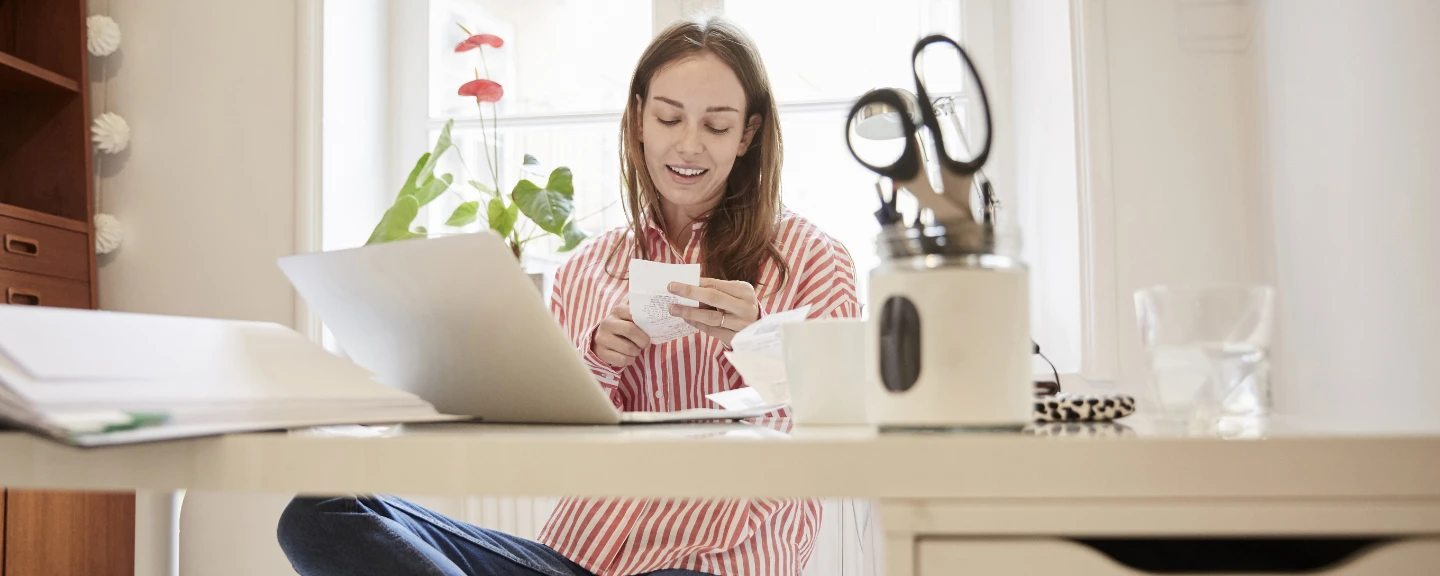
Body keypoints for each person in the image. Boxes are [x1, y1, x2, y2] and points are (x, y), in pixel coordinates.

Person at [277, 15, 859, 576]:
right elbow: (551, 442)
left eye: (716, 125)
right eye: (668, 118)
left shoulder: (814, 259)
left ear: (747, 135)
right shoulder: (586, 269)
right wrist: (596, 362)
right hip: (571, 558)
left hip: (711, 561)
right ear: (638, 120)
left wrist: (761, 342)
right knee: (319, 515)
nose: (688, 146)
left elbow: (841, 430)